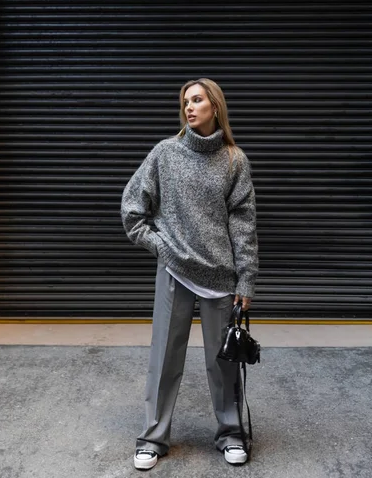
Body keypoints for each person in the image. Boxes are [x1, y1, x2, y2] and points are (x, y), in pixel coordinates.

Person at [121, 78, 259, 470]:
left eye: (197, 100)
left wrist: (246, 278)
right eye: (185, 101)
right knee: (164, 357)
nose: (189, 107)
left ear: (215, 106)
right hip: (174, 270)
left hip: (221, 276)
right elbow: (133, 209)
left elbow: (243, 225)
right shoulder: (165, 154)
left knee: (224, 360)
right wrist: (161, 247)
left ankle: (231, 433)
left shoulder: (234, 160)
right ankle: (152, 437)